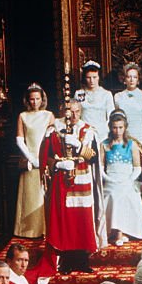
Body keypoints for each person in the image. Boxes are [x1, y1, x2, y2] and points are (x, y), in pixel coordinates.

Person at [39, 99, 101, 272]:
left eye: (76, 111)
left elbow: (95, 157)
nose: (73, 115)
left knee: (82, 219)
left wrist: (80, 146)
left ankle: (82, 261)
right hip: (62, 181)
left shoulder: (88, 131)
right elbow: (46, 157)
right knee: (65, 220)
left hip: (82, 179)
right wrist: (58, 165)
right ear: (62, 111)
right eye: (69, 111)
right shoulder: (53, 130)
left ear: (80, 112)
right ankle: (66, 261)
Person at [101, 111, 142, 246]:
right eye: (115, 127)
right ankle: (116, 232)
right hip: (111, 180)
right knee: (114, 194)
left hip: (127, 179)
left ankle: (121, 232)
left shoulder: (131, 144)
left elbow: (137, 167)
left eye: (121, 127)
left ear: (125, 127)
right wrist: (109, 179)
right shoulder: (104, 144)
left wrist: (129, 179)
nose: (118, 131)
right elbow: (100, 166)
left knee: (123, 194)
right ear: (110, 127)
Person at [14, 84, 54, 238]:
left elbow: (52, 138)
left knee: (44, 195)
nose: (35, 102)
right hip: (30, 160)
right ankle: (28, 231)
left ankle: (46, 229)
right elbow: (19, 139)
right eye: (32, 99)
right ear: (27, 100)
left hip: (45, 158)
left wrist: (43, 158)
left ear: (42, 99)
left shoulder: (49, 115)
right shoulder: (23, 116)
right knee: (30, 195)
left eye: (37, 99)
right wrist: (32, 158)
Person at [76, 60, 116, 144]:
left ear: (99, 77)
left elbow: (110, 116)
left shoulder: (106, 94)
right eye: (88, 77)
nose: (91, 81)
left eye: (94, 77)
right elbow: (76, 115)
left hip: (102, 133)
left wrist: (105, 131)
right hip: (84, 133)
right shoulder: (79, 93)